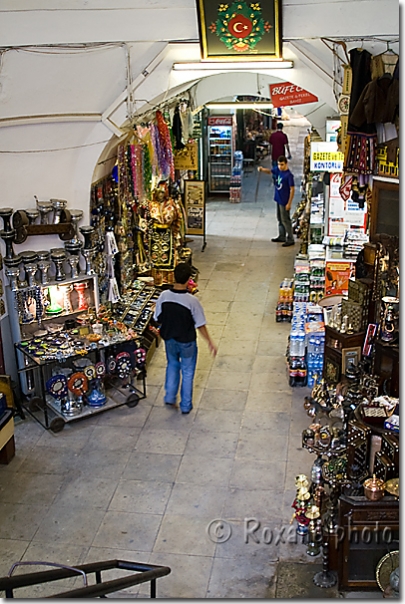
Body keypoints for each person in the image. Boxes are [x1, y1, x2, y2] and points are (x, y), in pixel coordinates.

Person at [153, 262, 217, 414]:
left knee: (172, 365)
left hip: (169, 340)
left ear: (173, 277)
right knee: (187, 371)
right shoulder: (192, 301)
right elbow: (200, 324)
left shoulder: (164, 296)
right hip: (187, 342)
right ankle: (185, 405)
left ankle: (169, 396)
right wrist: (210, 342)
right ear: (189, 279)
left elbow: (157, 317)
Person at [258, 155, 295, 247]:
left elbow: (292, 189)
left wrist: (289, 203)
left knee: (285, 219)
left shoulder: (289, 175)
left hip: (284, 200)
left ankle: (290, 238)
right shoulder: (278, 171)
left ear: (286, 164)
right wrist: (262, 169)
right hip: (278, 198)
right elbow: (270, 171)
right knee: (279, 218)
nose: (280, 166)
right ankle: (282, 235)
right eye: (279, 164)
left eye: (282, 164)